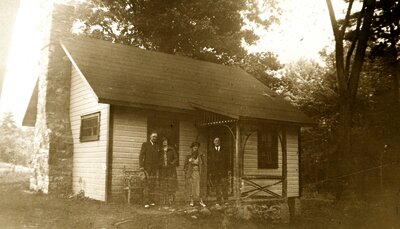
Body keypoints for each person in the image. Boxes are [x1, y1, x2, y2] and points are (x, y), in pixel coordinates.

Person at [139, 131, 160, 208]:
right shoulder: (145, 144)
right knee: (146, 185)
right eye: (153, 136)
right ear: (150, 137)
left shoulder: (157, 146)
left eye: (156, 137)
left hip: (154, 169)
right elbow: (141, 156)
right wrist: (141, 166)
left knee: (152, 185)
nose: (155, 138)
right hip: (146, 168)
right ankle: (145, 202)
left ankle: (151, 201)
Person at [184, 142, 206, 207]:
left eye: (196, 146)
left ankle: (201, 201)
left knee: (199, 187)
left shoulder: (200, 155)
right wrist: (188, 164)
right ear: (192, 147)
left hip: (198, 173)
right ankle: (191, 201)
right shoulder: (188, 155)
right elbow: (185, 165)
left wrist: (202, 171)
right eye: (194, 146)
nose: (195, 147)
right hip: (191, 172)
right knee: (191, 187)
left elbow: (203, 164)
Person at [209, 137, 230, 206]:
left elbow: (227, 161)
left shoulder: (224, 150)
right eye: (215, 141)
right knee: (217, 186)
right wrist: (211, 172)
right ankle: (218, 201)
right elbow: (210, 162)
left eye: (218, 140)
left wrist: (228, 170)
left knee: (224, 186)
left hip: (223, 171)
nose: (217, 142)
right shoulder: (211, 151)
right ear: (213, 142)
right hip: (215, 172)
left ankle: (226, 200)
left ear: (220, 142)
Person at [158, 137, 178, 205]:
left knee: (170, 183)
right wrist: (160, 164)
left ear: (167, 142)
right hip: (163, 169)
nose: (164, 142)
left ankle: (170, 200)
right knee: (163, 183)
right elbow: (158, 159)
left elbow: (176, 158)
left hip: (170, 169)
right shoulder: (160, 150)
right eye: (163, 141)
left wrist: (172, 164)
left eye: (165, 141)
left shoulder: (171, 149)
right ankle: (164, 200)